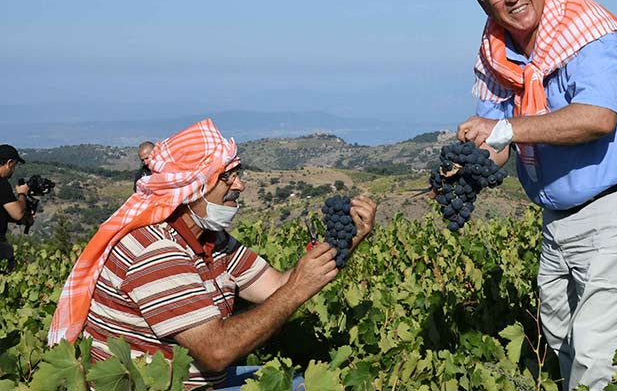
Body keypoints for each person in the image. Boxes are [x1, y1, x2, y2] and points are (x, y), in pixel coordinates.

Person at [456, 0, 617, 390]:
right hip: (559, 223)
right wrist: (468, 169)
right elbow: (498, 143)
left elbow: (597, 118)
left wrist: (508, 129)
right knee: (563, 348)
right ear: (482, 2)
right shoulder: (500, 52)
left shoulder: (587, 30)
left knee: (594, 355)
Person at [49, 119, 378, 390]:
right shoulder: (156, 251)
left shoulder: (211, 240)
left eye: (237, 173)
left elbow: (276, 286)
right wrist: (298, 289)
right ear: (192, 188)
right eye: (227, 177)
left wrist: (347, 239)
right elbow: (217, 352)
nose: (240, 186)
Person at [0, 144, 33, 274]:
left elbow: (5, 213)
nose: (13, 170)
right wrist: (22, 194)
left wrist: (25, 220)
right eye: (14, 166)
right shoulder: (2, 184)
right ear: (9, 163)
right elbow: (18, 213)